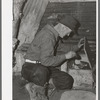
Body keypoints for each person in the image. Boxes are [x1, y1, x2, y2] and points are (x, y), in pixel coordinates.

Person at [21, 15, 84, 90]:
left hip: (43, 66)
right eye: (69, 32)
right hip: (32, 68)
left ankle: (45, 83)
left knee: (67, 80)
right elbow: (46, 61)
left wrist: (77, 47)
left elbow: (61, 47)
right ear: (63, 27)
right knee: (41, 72)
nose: (68, 35)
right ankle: (35, 86)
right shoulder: (48, 36)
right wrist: (66, 56)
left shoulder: (54, 34)